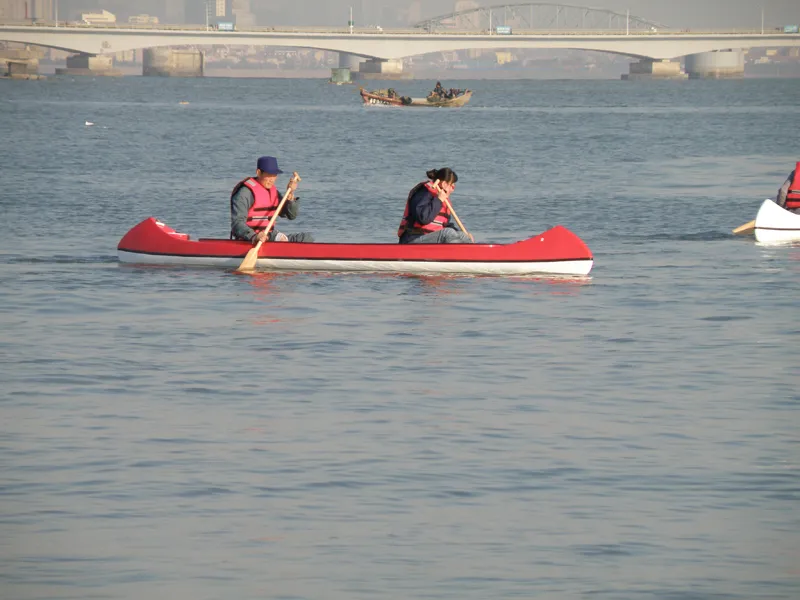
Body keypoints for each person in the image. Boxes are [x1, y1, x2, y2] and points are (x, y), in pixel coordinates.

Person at [230, 156, 313, 243]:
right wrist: (254, 236)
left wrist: (290, 195)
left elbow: (291, 216)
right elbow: (237, 224)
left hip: (269, 236)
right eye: (269, 175)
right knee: (279, 238)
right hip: (250, 239)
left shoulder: (273, 192)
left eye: (274, 175)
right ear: (258, 173)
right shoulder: (245, 193)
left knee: (307, 238)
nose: (272, 180)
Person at [397, 168, 473, 244]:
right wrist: (438, 200)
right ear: (444, 184)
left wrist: (463, 236)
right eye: (452, 186)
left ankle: (470, 252)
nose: (452, 190)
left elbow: (444, 225)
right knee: (447, 233)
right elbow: (423, 218)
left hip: (431, 238)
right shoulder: (423, 193)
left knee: (463, 236)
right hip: (412, 238)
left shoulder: (444, 202)